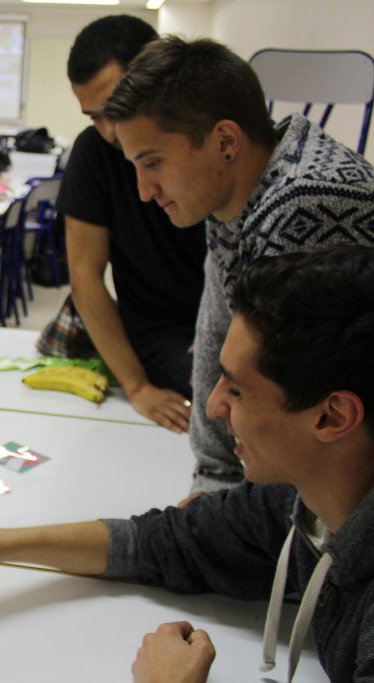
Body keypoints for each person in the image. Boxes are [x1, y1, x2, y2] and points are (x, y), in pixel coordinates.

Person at [0, 245, 374, 682]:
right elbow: (158, 541)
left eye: (237, 389)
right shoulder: (295, 500)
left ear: (332, 417)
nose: (215, 407)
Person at [104, 36, 374, 493]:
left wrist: (215, 501)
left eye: (153, 163)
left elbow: (291, 430)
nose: (144, 190)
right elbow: (214, 339)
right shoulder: (238, 187)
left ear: (225, 141)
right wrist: (210, 480)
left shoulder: (305, 205)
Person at [54, 15, 207, 433]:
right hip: (161, 332)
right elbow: (85, 277)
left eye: (115, 110)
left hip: (223, 322)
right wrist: (137, 387)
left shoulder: (206, 141)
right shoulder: (95, 155)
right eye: (94, 118)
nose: (109, 131)